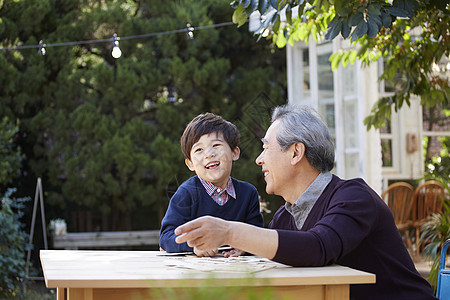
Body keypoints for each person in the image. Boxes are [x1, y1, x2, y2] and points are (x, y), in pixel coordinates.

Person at [174, 105, 437, 299]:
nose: (259, 159)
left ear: (296, 153)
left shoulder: (354, 198)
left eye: (266, 148)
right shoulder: (285, 217)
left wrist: (230, 232)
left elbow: (318, 247)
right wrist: (244, 249)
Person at [159, 112, 264, 257]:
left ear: (234, 153)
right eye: (199, 150)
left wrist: (245, 247)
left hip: (238, 270)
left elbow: (257, 234)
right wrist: (194, 247)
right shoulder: (186, 193)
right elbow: (166, 237)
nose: (209, 154)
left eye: (216, 145)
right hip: (196, 273)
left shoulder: (248, 193)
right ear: (190, 164)